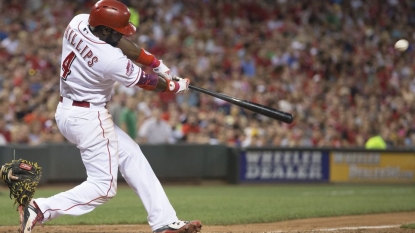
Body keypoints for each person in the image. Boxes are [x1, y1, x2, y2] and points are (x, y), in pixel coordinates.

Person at [15, 1, 202, 233]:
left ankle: (164, 221)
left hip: (68, 110)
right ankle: (40, 208)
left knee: (133, 156)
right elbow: (147, 82)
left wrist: (157, 63)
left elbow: (121, 41)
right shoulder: (109, 58)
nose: (121, 34)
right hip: (89, 116)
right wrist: (175, 86)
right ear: (104, 30)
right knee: (103, 186)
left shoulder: (79, 21)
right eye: (116, 30)